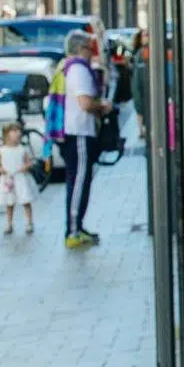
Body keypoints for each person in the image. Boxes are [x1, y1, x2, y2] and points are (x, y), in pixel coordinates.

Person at [59, 30, 112, 249]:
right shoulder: (79, 69)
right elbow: (85, 103)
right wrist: (103, 106)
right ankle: (73, 230)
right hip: (79, 132)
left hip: (75, 132)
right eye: (91, 49)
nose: (93, 53)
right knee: (79, 181)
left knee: (78, 180)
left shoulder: (68, 67)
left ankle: (76, 227)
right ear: (81, 49)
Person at [0, 120, 38, 237]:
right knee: (9, 202)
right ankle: (9, 223)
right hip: (8, 179)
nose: (18, 133)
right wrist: (1, 170)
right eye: (14, 131)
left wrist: (25, 166)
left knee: (25, 200)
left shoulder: (22, 149)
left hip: (21, 179)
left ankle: (30, 222)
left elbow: (29, 162)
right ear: (6, 134)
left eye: (18, 130)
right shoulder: (1, 150)